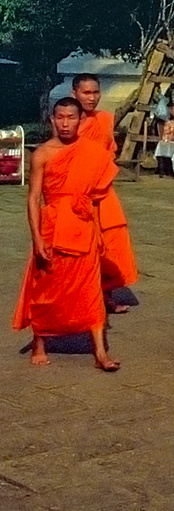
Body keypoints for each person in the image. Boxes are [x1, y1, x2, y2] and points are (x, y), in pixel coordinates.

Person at [13, 98, 121, 371]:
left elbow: (96, 199)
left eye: (70, 117)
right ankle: (40, 342)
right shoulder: (43, 154)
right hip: (52, 225)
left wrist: (99, 234)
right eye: (60, 117)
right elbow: (33, 198)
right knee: (46, 287)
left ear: (80, 120)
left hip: (83, 225)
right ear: (52, 120)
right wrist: (37, 238)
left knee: (90, 288)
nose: (65, 123)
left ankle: (100, 351)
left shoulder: (92, 151)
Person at [72, 73, 139, 314]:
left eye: (95, 92)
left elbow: (109, 152)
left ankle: (106, 293)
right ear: (74, 94)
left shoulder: (105, 119)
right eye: (86, 93)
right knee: (82, 246)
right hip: (77, 192)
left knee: (112, 242)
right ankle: (81, 296)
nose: (91, 98)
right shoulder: (68, 120)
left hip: (104, 191)